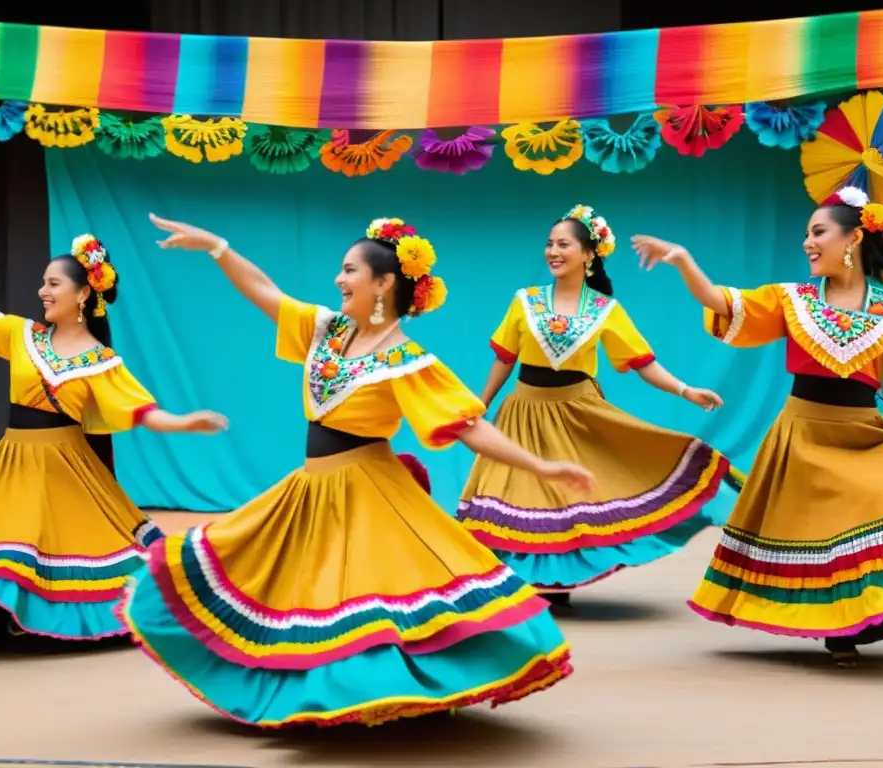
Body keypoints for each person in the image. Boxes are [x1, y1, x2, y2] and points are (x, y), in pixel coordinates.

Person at [118, 213, 595, 728]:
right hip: (312, 487)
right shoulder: (326, 331)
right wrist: (217, 246)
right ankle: (314, 692)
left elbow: (469, 427)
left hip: (368, 489)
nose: (339, 280)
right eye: (341, 271)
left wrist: (541, 465)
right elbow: (264, 292)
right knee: (286, 590)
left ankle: (371, 694)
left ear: (384, 282)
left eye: (349, 271)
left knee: (359, 601)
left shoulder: (407, 360)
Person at [0, 234, 228, 652]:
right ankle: (0, 618)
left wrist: (185, 422)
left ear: (84, 293)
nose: (43, 291)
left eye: (54, 283)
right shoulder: (22, 335)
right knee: (3, 546)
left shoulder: (102, 362)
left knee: (43, 555)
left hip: (64, 472)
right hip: (12, 463)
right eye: (43, 282)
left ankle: (13, 623)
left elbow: (143, 412)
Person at [633, 186, 883, 668]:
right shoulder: (792, 300)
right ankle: (841, 632)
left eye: (818, 232)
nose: (807, 243)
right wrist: (683, 260)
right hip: (805, 436)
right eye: (806, 234)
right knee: (827, 529)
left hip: (863, 433)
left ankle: (867, 618)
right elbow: (723, 302)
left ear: (853, 238)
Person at [456, 204, 733, 609]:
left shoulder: (605, 310)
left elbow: (643, 363)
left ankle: (554, 583)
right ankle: (521, 582)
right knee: (519, 494)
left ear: (588, 254)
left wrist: (685, 389)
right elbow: (505, 358)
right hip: (523, 412)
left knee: (568, 498)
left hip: (576, 412)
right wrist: (479, 404)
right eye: (549, 244)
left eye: (563, 244)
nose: (553, 251)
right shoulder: (526, 301)